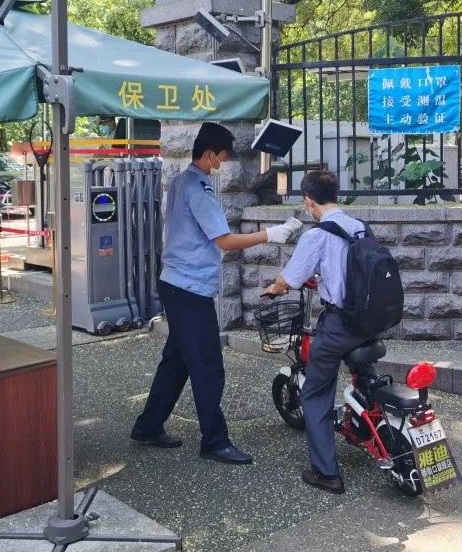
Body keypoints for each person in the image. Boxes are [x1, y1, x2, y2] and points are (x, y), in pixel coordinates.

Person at [132, 122, 300, 465]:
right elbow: (224, 241)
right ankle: (215, 441)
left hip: (175, 283)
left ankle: (148, 426)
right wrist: (271, 234)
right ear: (208, 154)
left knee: (177, 361)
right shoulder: (198, 189)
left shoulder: (182, 181)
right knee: (208, 366)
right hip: (189, 288)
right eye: (221, 157)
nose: (222, 163)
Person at [262, 170, 366, 494]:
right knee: (366, 378)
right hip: (369, 322)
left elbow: (289, 279)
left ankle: (326, 473)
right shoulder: (359, 227)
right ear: (335, 194)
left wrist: (273, 288)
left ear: (309, 201)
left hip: (339, 326)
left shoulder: (317, 235)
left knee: (316, 392)